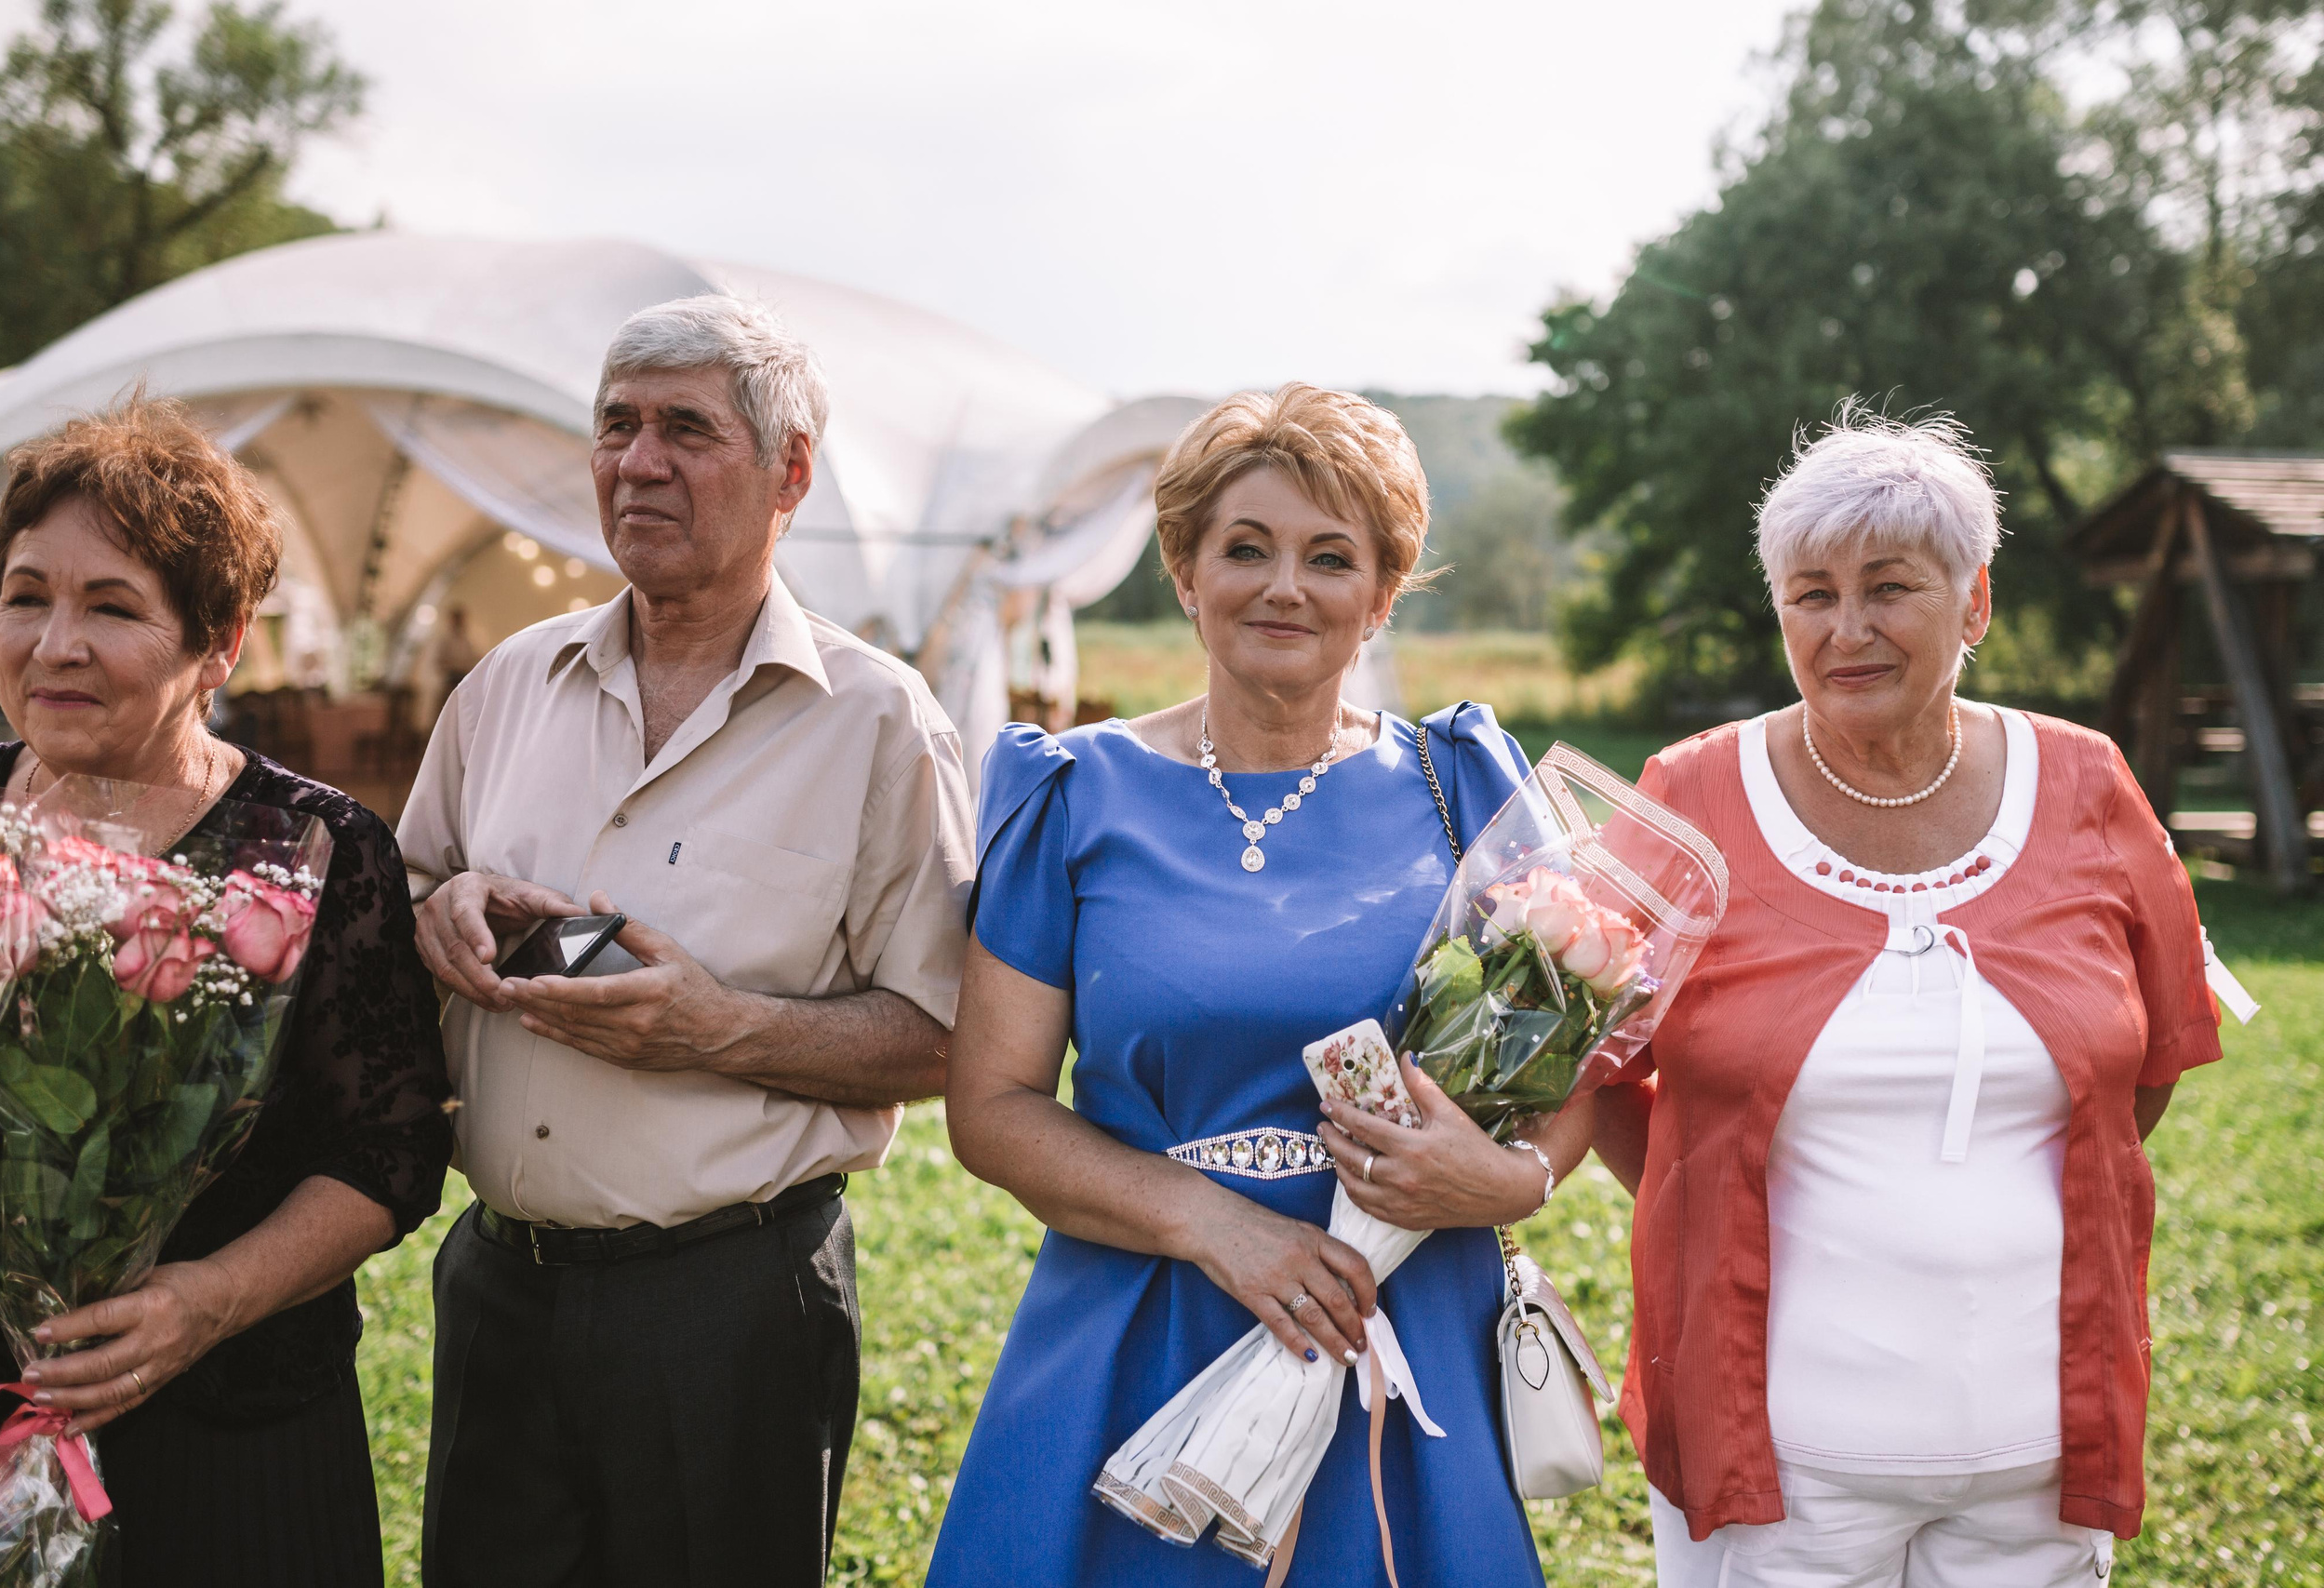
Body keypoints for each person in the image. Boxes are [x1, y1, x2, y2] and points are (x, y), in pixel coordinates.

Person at [927, 383, 1583, 1586]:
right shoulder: (1070, 795)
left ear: (1381, 595)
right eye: (1245, 548)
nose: (1285, 586)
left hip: (1397, 1319)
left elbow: (1585, 1054)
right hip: (1142, 1320)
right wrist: (1212, 1225)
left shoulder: (1462, 785)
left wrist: (1512, 1179)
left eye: (1330, 557)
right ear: (1184, 571)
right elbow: (993, 1106)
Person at [398, 294, 972, 1588]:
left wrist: (720, 1027)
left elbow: (945, 1036)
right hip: (500, 1285)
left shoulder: (879, 722)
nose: (638, 461)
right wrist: (439, 908)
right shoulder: (508, 683)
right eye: (617, 425)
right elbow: (415, 888)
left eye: (686, 429)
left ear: (791, 471)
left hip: (732, 1303)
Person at [1594, 413, 2225, 1586]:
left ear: (1973, 602)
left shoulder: (2085, 780)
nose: (1846, 630)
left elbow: (2141, 1070)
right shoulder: (1691, 796)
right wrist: (1712, 1182)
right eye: (1811, 595)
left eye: (1888, 587)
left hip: (2039, 1451)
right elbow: (1593, 1070)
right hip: (1774, 1456)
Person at [0, 395, 452, 1585]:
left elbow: (389, 1152)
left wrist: (207, 1301)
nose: (54, 644)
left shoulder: (317, 853)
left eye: (112, 607)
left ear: (219, 644)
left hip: (234, 1427)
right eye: (27, 595)